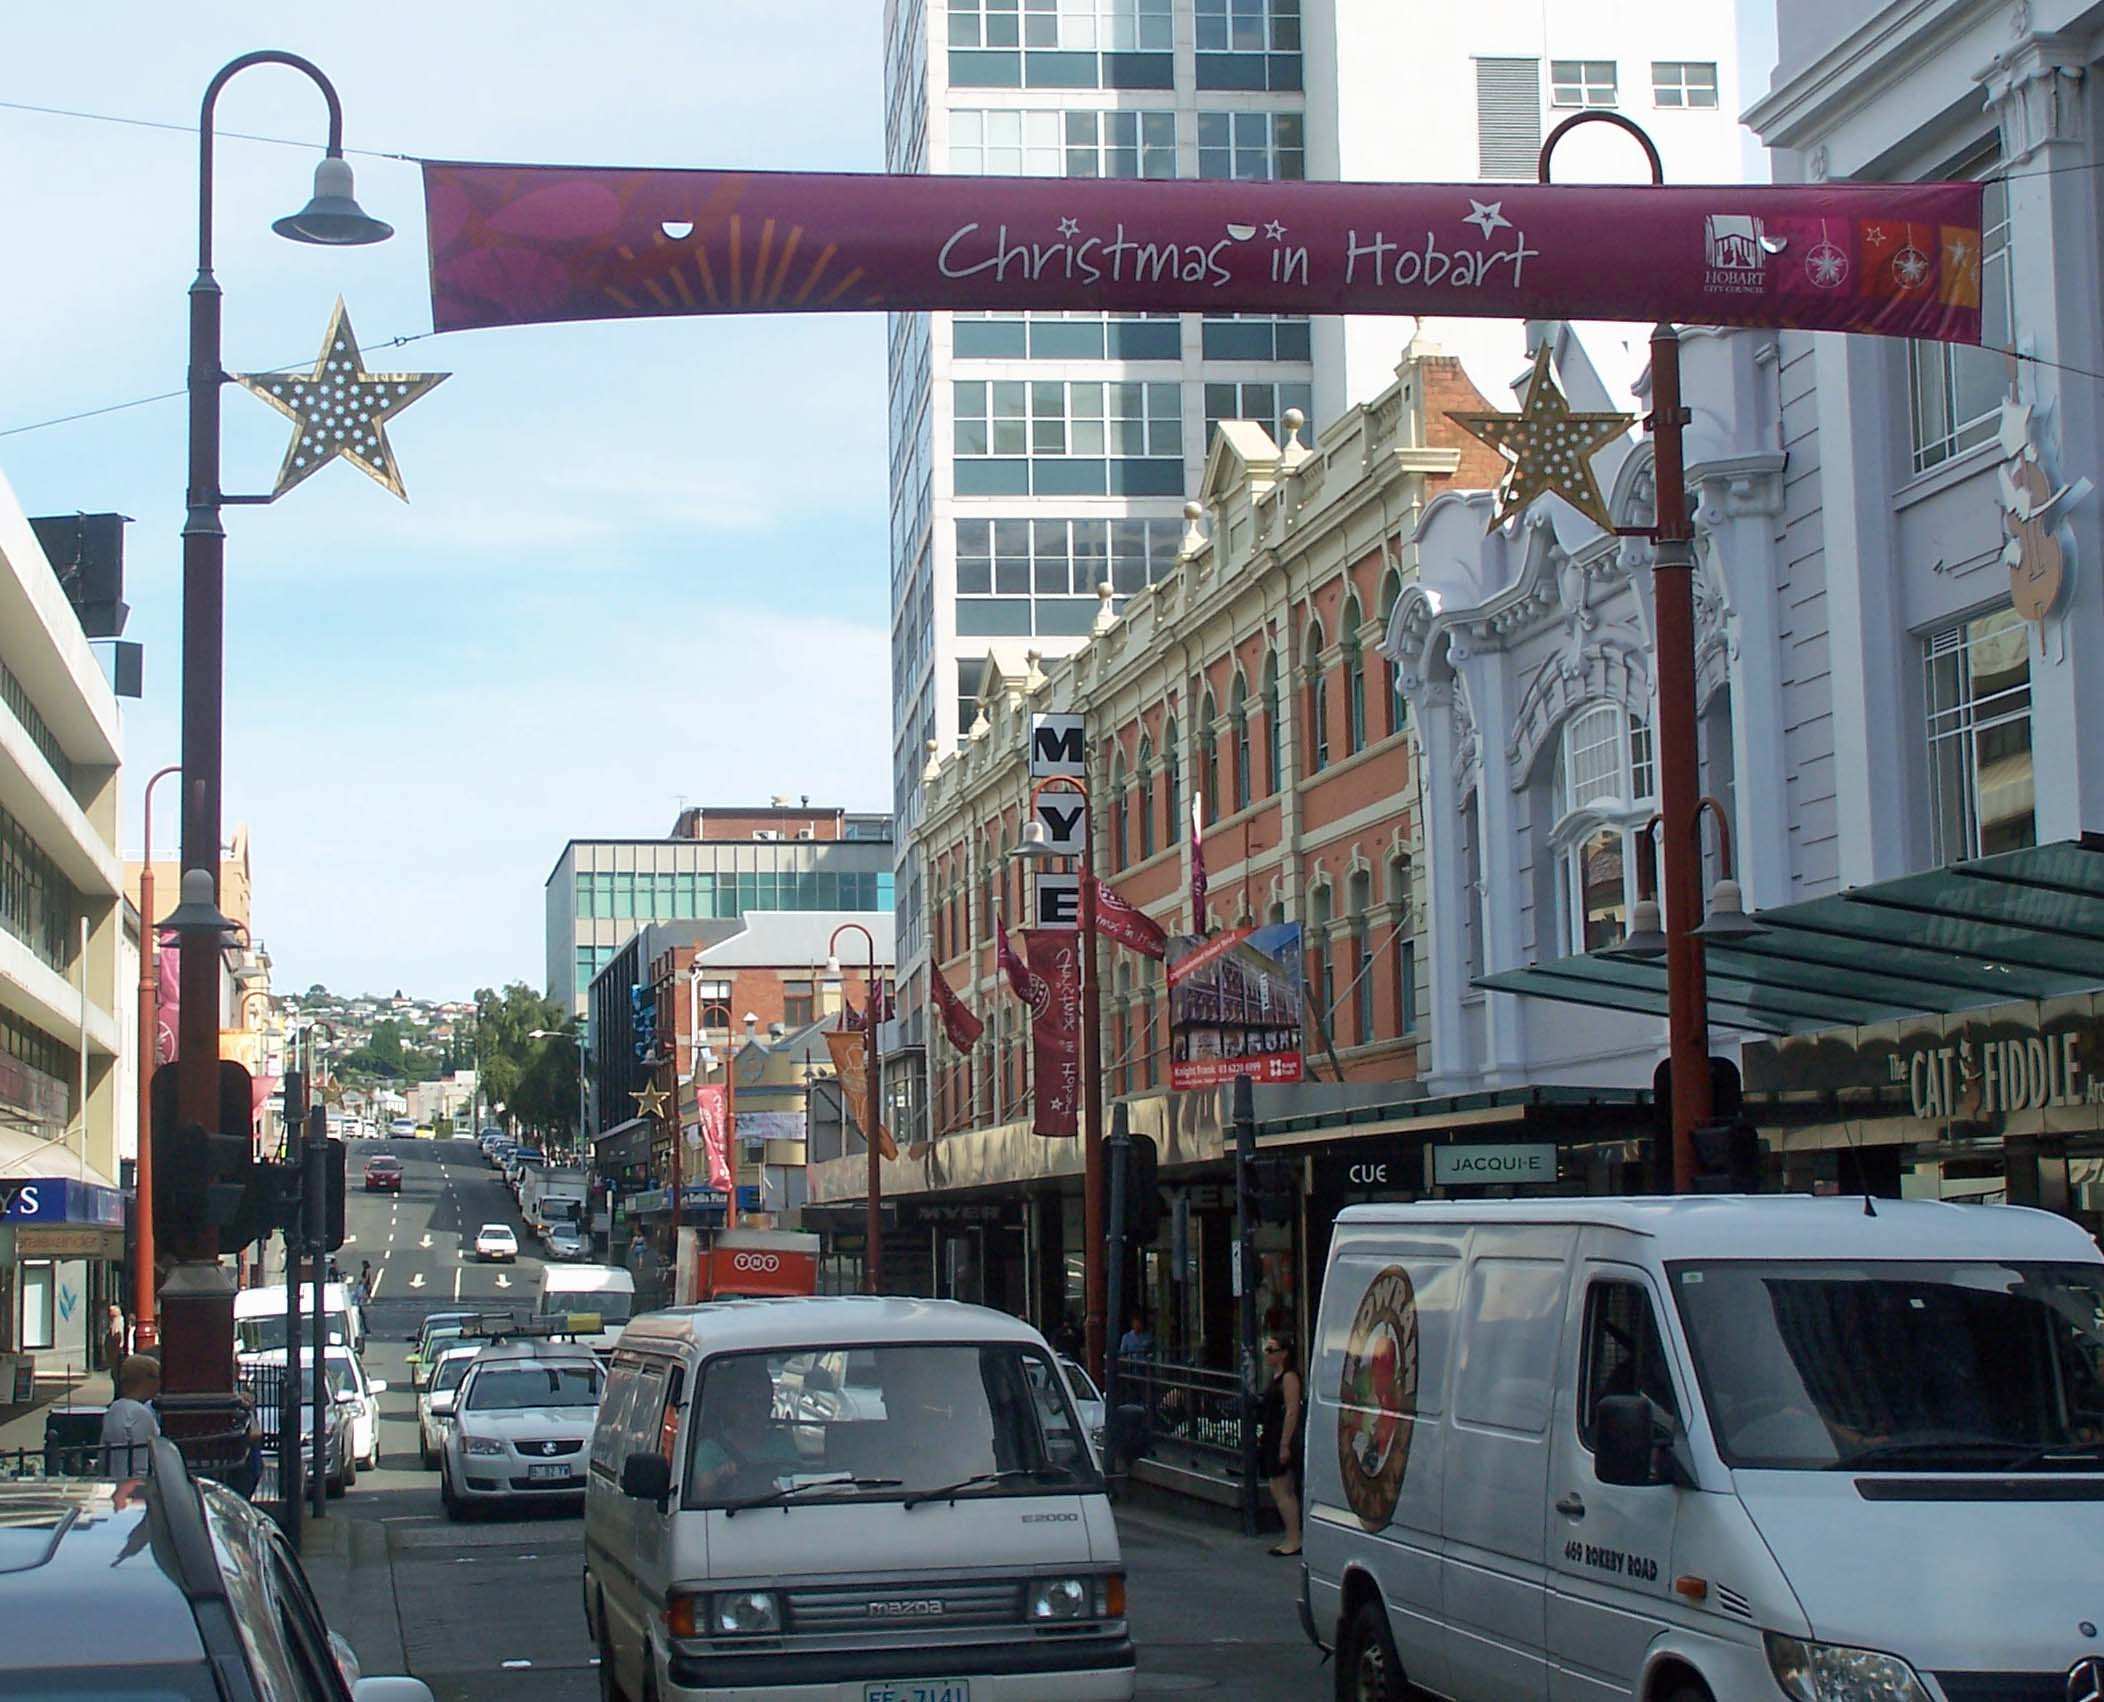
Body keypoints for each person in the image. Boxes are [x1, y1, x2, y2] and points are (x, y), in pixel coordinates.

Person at [691, 1359, 800, 1500]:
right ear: (732, 1405)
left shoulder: (782, 1442)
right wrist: (720, 1474)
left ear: (770, 1407)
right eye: (748, 1401)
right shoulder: (709, 1450)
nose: (755, 1410)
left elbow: (799, 1485)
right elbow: (701, 1496)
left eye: (762, 1402)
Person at [1257, 1334, 1303, 1557]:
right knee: (1277, 1488)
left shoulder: (1289, 1377)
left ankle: (1294, 1538)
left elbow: (1292, 1410)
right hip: (1271, 1435)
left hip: (1281, 1436)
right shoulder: (1274, 1378)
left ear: (1283, 1353)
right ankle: (1290, 1535)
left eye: (1271, 1350)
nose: (1267, 1354)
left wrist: (1284, 1443)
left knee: (1284, 1488)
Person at [101, 1355, 162, 1478]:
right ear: (147, 1379)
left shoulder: (114, 1409)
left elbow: (103, 1456)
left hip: (114, 1480)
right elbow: (140, 1461)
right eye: (158, 1377)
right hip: (132, 1486)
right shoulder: (139, 1414)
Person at [103, 1303, 127, 1374]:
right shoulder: (113, 1322)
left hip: (118, 1350)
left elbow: (117, 1336)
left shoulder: (119, 1321)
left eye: (111, 1311)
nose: (109, 1313)